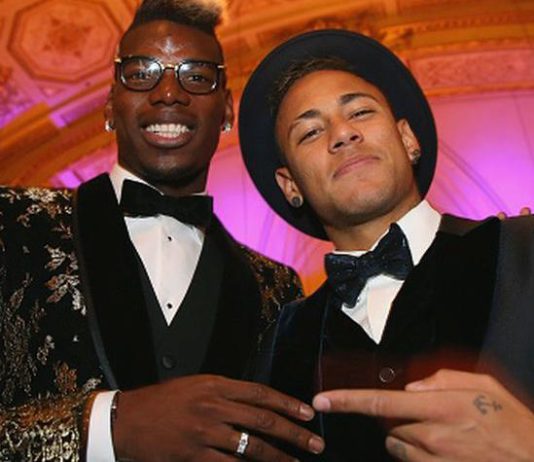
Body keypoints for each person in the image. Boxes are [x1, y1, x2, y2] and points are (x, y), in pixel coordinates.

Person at [0, 1, 327, 460]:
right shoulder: (13, 222)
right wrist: (108, 426)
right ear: (111, 104)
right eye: (141, 73)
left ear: (227, 110)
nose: (168, 92)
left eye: (196, 76)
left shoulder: (277, 286)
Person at [238, 29, 534, 461]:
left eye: (360, 112)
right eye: (310, 132)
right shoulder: (278, 349)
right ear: (290, 186)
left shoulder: (523, 250)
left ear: (408, 139)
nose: (342, 134)